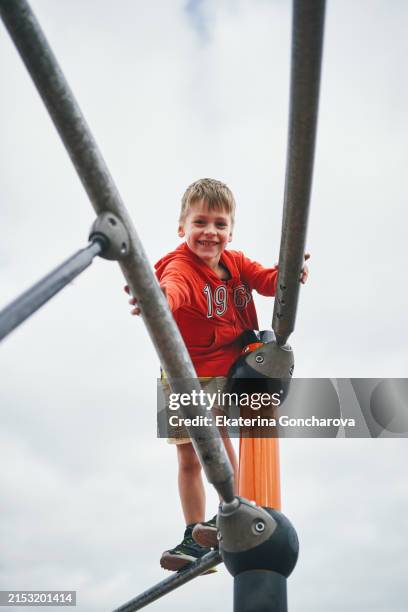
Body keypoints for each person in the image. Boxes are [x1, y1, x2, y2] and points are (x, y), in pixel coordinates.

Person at [125, 178, 309, 571]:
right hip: (182, 374)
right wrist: (155, 298)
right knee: (188, 458)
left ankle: (234, 504)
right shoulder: (181, 268)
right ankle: (194, 533)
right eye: (200, 223)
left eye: (220, 224)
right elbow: (171, 290)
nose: (210, 232)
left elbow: (266, 281)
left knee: (218, 437)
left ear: (231, 229)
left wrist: (288, 274)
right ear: (182, 228)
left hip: (223, 369)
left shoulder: (237, 262)